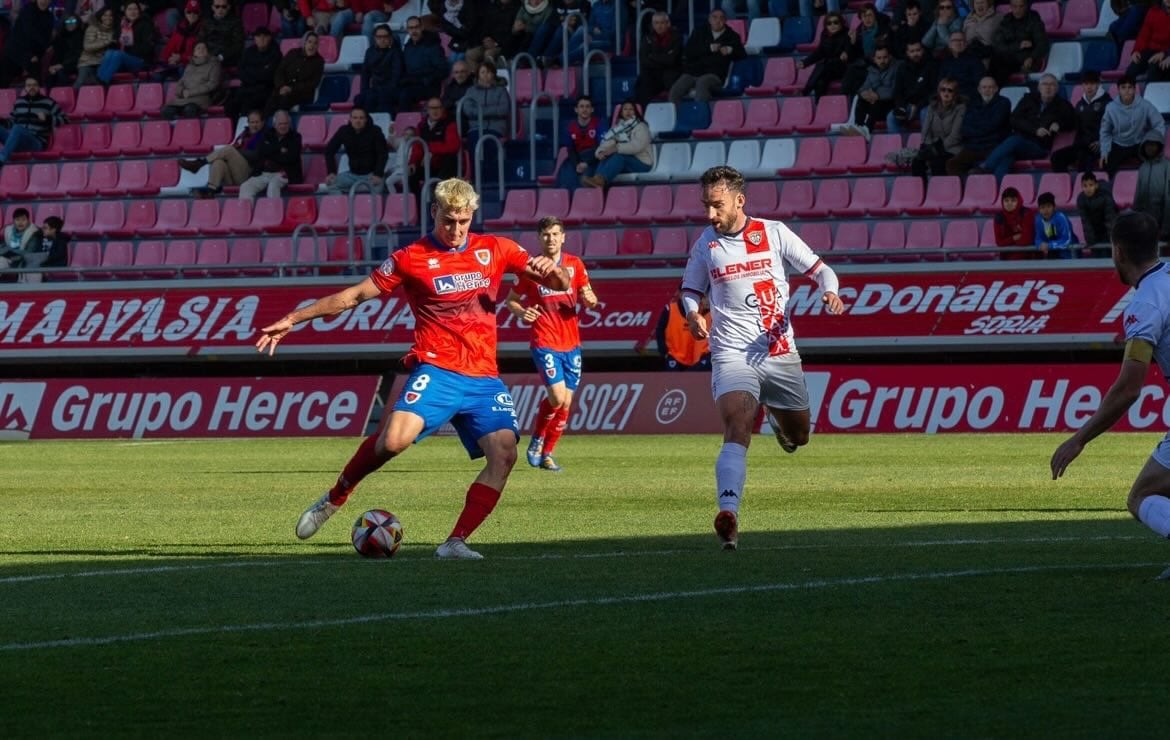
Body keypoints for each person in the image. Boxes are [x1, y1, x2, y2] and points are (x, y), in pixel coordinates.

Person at [256, 177, 571, 560]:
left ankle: (454, 543)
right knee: (392, 442)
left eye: (463, 221)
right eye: (448, 221)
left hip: (483, 377)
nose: (455, 230)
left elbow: (560, 281)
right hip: (437, 368)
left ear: (472, 216)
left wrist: (552, 271)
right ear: (434, 212)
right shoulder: (411, 257)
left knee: (504, 454)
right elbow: (354, 296)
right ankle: (335, 497)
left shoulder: (497, 249)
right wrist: (294, 318)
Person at [680, 166, 845, 550]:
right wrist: (692, 314)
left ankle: (778, 419)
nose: (709, 214)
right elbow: (689, 289)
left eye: (716, 206)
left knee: (800, 435)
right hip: (731, 351)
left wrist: (830, 291)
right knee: (738, 424)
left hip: (778, 350)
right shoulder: (706, 243)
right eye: (706, 205)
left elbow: (822, 271)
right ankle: (729, 513)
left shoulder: (774, 233)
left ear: (739, 200)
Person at [1050, 210, 1170, 578]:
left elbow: (1129, 388)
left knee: (1142, 496)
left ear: (1118, 251)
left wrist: (1079, 439)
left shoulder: (1145, 304)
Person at [504, 216, 598, 472]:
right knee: (556, 396)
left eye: (556, 234)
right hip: (544, 340)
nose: (551, 239)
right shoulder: (531, 267)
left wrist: (590, 299)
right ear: (539, 238)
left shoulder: (575, 265)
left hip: (572, 343)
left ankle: (547, 453)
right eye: (546, 235)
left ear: (563, 237)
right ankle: (536, 439)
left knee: (566, 403)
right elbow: (511, 300)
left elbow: (588, 296)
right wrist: (522, 312)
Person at [973, 73, 1076, 183]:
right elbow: (1014, 119)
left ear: (1057, 88)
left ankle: (985, 167)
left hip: (1039, 147)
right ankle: (997, 190)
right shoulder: (1028, 99)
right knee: (1007, 158)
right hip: (1020, 142)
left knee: (1013, 141)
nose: (1048, 87)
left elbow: (1073, 121)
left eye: (1052, 85)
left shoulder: (1063, 105)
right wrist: (1035, 130)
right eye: (1045, 84)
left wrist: (1059, 124)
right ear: (1038, 87)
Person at [183, 109, 268, 198]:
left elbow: (256, 155)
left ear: (262, 122)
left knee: (229, 150)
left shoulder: (265, 135)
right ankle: (211, 192)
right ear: (248, 123)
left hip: (249, 175)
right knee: (218, 162)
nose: (254, 125)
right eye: (252, 122)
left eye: (257, 122)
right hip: (234, 174)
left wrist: (236, 152)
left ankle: (199, 164)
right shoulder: (245, 133)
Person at [668, 8, 745, 104]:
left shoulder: (732, 36)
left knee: (702, 82)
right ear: (709, 20)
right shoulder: (699, 32)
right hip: (693, 72)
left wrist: (731, 50)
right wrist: (708, 48)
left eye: (721, 18)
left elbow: (742, 54)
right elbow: (688, 52)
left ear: (725, 21)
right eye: (715, 17)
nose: (718, 20)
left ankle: (701, 115)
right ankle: (676, 117)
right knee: (675, 90)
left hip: (715, 74)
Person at [945, 75, 1010, 177]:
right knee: (952, 164)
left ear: (996, 89)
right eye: (984, 87)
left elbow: (993, 125)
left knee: (998, 162)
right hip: (973, 146)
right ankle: (965, 188)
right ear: (979, 89)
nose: (987, 90)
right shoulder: (972, 104)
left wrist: (976, 128)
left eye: (990, 87)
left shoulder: (1004, 102)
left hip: (993, 145)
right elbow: (965, 127)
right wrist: (982, 128)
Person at [580, 99, 653, 189]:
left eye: (631, 109)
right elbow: (607, 142)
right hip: (627, 161)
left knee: (619, 156)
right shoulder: (618, 128)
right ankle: (596, 180)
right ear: (621, 112)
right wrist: (601, 152)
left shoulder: (641, 126)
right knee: (606, 156)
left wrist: (616, 148)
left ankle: (600, 180)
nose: (628, 112)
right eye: (625, 109)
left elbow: (637, 146)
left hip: (642, 163)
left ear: (636, 112)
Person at [1100, 76, 1166, 175]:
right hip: (1118, 144)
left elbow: (1159, 123)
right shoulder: (1110, 108)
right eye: (1123, 87)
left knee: (1154, 163)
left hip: (1139, 143)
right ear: (1118, 90)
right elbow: (1105, 131)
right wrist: (1104, 151)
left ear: (1135, 89)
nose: (1127, 90)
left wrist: (1152, 139)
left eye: (1130, 87)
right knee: (1105, 164)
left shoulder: (1145, 105)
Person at [635, 287, 712, 371]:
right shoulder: (670, 310)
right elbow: (659, 331)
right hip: (675, 356)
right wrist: (664, 353)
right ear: (680, 294)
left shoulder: (709, 311)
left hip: (699, 358)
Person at [1051, 70, 1112, 174]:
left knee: (1084, 160)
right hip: (1082, 145)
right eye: (1086, 84)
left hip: (1099, 146)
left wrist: (1102, 141)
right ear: (1082, 86)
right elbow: (1073, 123)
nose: (1089, 87)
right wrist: (1058, 124)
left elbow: (1113, 126)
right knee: (1056, 157)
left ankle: (1083, 188)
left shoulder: (1108, 103)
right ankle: (1066, 186)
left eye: (1092, 84)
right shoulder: (1080, 105)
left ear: (1098, 84)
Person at [0, 78, 68, 167]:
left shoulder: (48, 102)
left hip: (37, 142)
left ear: (39, 87)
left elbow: (65, 119)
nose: (32, 87)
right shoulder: (19, 102)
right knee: (15, 128)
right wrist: (1, 120)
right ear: (25, 88)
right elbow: (11, 123)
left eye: (34, 85)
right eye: (29, 85)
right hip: (18, 141)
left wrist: (48, 118)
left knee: (17, 128)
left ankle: (1, 160)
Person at [239, 110, 303, 200]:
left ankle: (273, 213)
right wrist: (280, 150)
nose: (283, 126)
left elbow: (290, 157)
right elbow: (261, 152)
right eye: (280, 124)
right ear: (274, 124)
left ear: (289, 124)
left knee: (273, 185)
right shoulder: (267, 135)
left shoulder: (296, 137)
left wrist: (271, 151)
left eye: (286, 123)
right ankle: (246, 213)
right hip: (265, 173)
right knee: (245, 187)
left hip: (285, 173)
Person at [225, 26, 282, 125]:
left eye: (264, 36)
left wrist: (251, 73)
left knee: (247, 105)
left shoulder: (276, 53)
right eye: (258, 36)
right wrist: (258, 73)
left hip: (265, 90)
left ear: (269, 38)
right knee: (230, 105)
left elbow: (268, 75)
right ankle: (233, 129)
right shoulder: (249, 52)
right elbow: (240, 71)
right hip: (246, 88)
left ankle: (246, 131)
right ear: (255, 39)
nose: (261, 39)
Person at [324, 106, 388, 194]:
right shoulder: (344, 131)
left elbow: (383, 154)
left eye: (361, 118)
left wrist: (378, 174)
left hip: (371, 175)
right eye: (355, 118)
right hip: (352, 175)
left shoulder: (375, 131)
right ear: (350, 119)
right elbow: (329, 151)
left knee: (377, 190)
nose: (358, 121)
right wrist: (331, 172)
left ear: (366, 119)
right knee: (331, 184)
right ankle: (344, 207)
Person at [911, 77, 965, 180]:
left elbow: (956, 135)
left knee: (938, 163)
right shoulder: (932, 107)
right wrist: (928, 146)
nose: (946, 93)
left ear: (955, 93)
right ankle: (921, 191)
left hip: (952, 147)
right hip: (933, 146)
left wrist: (938, 149)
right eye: (943, 89)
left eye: (950, 90)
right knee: (917, 162)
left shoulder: (961, 108)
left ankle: (940, 193)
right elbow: (925, 131)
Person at [263, 31, 325, 118]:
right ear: (305, 43)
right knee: (271, 100)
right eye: (310, 42)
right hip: (283, 88)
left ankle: (280, 124)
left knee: (284, 100)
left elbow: (313, 83)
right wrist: (281, 86)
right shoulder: (293, 53)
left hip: (302, 93)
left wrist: (291, 89)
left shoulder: (319, 61)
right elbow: (280, 71)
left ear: (318, 46)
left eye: (315, 43)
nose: (312, 45)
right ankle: (265, 124)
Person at [95, 1, 158, 85]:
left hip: (141, 60)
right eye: (129, 9)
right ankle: (99, 82)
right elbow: (116, 42)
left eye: (135, 9)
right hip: (123, 59)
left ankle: (103, 83)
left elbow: (148, 47)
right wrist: (113, 43)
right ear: (125, 12)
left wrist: (130, 47)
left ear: (139, 11)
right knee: (109, 52)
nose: (132, 12)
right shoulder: (122, 24)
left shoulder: (146, 23)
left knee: (118, 55)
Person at [989, 0, 1049, 85]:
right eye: (1014, 6)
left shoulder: (1034, 19)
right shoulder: (1007, 20)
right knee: (994, 61)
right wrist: (1018, 45)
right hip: (1009, 58)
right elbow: (998, 44)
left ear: (1026, 6)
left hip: (1027, 59)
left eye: (1021, 6)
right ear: (1010, 6)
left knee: (999, 66)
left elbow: (1042, 43)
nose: (1018, 10)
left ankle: (996, 92)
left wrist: (1032, 57)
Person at [556, 94, 606, 191]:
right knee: (565, 173)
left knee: (585, 176)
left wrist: (587, 163)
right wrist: (577, 164)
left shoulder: (599, 124)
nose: (584, 109)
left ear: (592, 109)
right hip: (577, 158)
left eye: (587, 106)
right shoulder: (570, 127)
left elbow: (602, 148)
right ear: (576, 109)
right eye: (581, 106)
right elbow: (570, 149)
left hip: (594, 158)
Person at [161, 41, 222, 119]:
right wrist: (181, 91)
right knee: (166, 111)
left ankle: (191, 130)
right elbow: (181, 82)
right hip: (184, 98)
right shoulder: (190, 65)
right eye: (198, 48)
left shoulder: (214, 64)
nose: (201, 50)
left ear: (207, 51)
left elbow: (212, 84)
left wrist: (190, 92)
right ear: (194, 53)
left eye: (204, 48)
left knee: (189, 110)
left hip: (201, 98)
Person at [798, 12, 852, 99]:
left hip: (843, 68)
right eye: (829, 23)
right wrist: (805, 62)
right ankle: (819, 106)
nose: (832, 25)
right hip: (829, 69)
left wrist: (846, 53)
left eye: (836, 22)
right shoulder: (825, 35)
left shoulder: (847, 34)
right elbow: (819, 52)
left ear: (841, 23)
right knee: (820, 83)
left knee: (822, 64)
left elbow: (849, 48)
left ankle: (805, 92)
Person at [635, 11, 683, 106]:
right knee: (642, 83)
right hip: (652, 75)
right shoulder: (647, 38)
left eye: (662, 23)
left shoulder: (676, 37)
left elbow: (671, 60)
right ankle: (644, 114)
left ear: (667, 24)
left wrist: (653, 56)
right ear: (652, 25)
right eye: (656, 23)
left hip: (670, 75)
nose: (659, 26)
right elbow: (644, 60)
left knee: (671, 77)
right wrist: (663, 58)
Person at [354, 22, 403, 114]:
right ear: (375, 38)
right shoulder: (370, 52)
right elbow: (365, 74)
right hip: (375, 88)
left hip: (391, 89)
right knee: (360, 98)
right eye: (379, 37)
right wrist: (364, 91)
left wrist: (386, 89)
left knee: (376, 98)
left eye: (385, 37)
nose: (382, 40)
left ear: (390, 38)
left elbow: (396, 75)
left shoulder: (396, 52)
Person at [1134, 131, 1170, 240]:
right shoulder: (1142, 168)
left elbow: (1169, 197)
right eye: (1147, 145)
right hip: (1143, 220)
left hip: (1161, 219)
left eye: (1153, 144)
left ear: (1159, 146)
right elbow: (1137, 195)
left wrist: (1166, 226)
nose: (1150, 148)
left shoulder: (1167, 166)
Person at [1125, 0, 1170, 81]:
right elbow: (1144, 35)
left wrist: (1166, 54)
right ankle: (1126, 93)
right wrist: (1136, 50)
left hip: (1167, 52)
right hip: (1151, 50)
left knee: (1154, 68)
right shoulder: (1153, 11)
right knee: (1132, 70)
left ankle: (1150, 93)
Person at [75, 7, 117, 88]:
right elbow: (87, 47)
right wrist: (107, 42)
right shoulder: (92, 28)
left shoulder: (114, 30)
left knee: (104, 83)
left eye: (110, 15)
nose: (108, 17)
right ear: (100, 16)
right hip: (88, 62)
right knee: (80, 82)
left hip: (102, 63)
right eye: (105, 15)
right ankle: (72, 98)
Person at [1078, 172, 1119, 255]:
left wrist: (1112, 239)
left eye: (1091, 185)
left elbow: (1110, 219)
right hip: (1095, 232)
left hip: (1107, 231)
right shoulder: (1081, 199)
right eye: (1085, 186)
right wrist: (1090, 240)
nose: (1088, 188)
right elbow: (1085, 221)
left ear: (1096, 185)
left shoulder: (1106, 197)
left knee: (1107, 254)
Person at [0, 207, 45, 283]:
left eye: (23, 220)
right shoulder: (8, 230)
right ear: (13, 221)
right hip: (11, 259)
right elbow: (4, 246)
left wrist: (10, 250)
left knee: (31, 270)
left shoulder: (34, 232)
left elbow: (29, 253)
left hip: (26, 260)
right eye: (17, 220)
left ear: (28, 220)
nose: (20, 223)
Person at [199, 0, 246, 68]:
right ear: (212, 7)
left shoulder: (235, 22)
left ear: (228, 7)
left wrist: (222, 56)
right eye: (217, 6)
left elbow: (238, 44)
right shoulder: (207, 21)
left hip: (225, 58)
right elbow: (200, 39)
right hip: (207, 56)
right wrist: (203, 53)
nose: (220, 9)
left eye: (224, 6)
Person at [993, 185, 1035, 258]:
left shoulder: (1027, 214)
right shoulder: (999, 217)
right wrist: (1014, 238)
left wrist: (1007, 241)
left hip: (1026, 257)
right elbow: (999, 242)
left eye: (1013, 200)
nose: (1009, 203)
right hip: (1006, 258)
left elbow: (1026, 240)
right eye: (1006, 200)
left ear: (1019, 201)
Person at [1034, 191, 1076, 259]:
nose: (1046, 210)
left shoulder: (1061, 218)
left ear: (1054, 207)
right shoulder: (1038, 220)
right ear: (1039, 209)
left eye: (1048, 206)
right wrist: (1040, 244)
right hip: (1052, 255)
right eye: (1042, 207)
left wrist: (1049, 245)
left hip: (1069, 255)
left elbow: (1067, 240)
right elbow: (1038, 239)